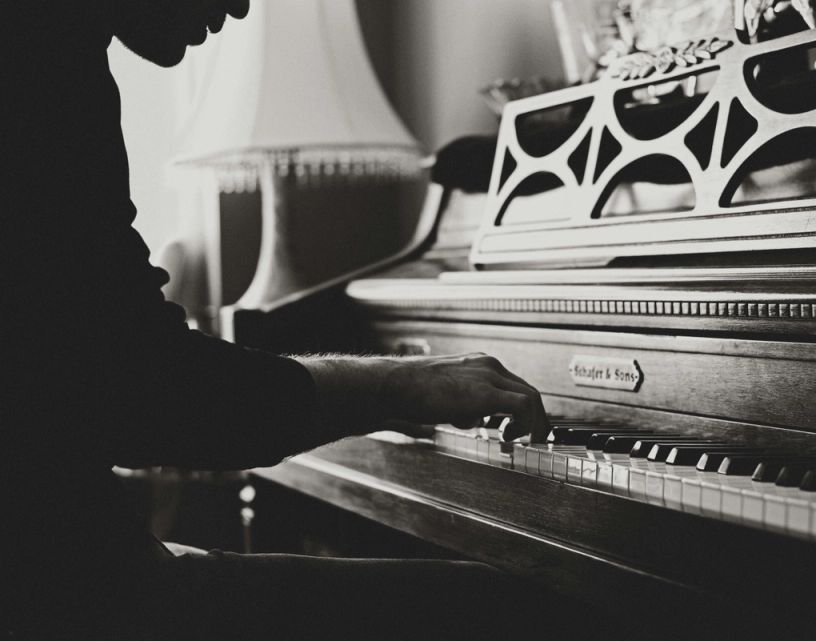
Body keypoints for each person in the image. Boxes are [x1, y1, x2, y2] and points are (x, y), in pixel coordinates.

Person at [0, 1, 550, 639]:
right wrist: (400, 385)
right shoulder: (40, 65)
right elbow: (145, 393)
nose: (241, 5)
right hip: (61, 594)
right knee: (521, 610)